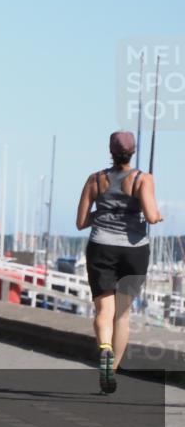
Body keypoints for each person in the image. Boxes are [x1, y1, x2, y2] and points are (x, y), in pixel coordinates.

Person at [75, 131, 162, 394]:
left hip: (101, 247)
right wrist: (157, 217)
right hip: (134, 251)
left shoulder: (95, 180)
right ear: (133, 151)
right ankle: (110, 372)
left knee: (104, 312)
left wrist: (102, 214)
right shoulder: (142, 179)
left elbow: (80, 222)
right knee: (123, 316)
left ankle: (104, 348)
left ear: (110, 151)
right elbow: (150, 213)